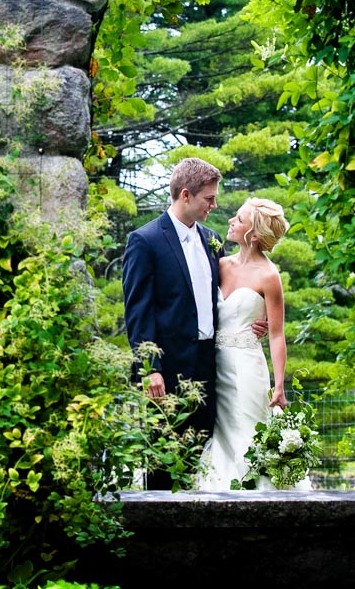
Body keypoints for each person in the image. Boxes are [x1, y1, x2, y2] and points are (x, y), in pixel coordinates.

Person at [122, 158, 266, 490]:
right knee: (163, 458)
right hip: (167, 370)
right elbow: (138, 311)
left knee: (206, 457)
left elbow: (237, 289)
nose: (214, 206)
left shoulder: (211, 239)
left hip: (211, 365)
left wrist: (259, 316)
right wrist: (150, 369)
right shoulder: (144, 241)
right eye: (209, 199)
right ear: (185, 195)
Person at [199, 197, 300, 490]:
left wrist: (279, 385)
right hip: (213, 366)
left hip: (247, 368)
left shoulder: (269, 276)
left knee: (247, 431)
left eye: (239, 219)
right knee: (219, 435)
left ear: (254, 235)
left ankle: (257, 498)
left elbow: (277, 334)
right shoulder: (218, 265)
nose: (231, 221)